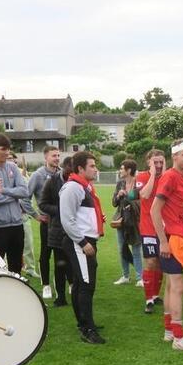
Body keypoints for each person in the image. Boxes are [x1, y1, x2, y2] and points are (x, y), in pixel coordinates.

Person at [151, 140, 183, 352]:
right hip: (171, 239)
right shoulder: (171, 177)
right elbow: (154, 209)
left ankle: (170, 331)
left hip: (176, 236)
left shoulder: (181, 177)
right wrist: (163, 241)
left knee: (171, 286)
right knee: (178, 286)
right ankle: (179, 338)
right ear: (175, 157)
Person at [60, 151, 105, 344]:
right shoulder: (73, 187)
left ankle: (84, 322)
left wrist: (96, 220)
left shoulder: (84, 187)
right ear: (80, 168)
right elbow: (67, 220)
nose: (96, 169)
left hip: (85, 240)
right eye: (92, 166)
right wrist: (83, 242)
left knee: (80, 283)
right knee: (86, 285)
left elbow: (79, 216)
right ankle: (87, 329)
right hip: (79, 242)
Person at [0, 133, 31, 274]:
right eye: (3, 149)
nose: (7, 152)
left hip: (17, 225)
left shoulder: (12, 167)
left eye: (8, 149)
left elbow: (24, 191)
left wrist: (4, 190)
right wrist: (14, 195)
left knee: (16, 266)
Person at [27, 146, 63, 299]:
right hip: (47, 222)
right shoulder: (38, 175)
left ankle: (61, 285)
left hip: (62, 222)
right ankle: (46, 285)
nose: (57, 158)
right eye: (54, 155)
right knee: (45, 254)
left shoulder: (62, 174)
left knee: (62, 255)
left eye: (58, 155)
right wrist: (36, 215)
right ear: (46, 158)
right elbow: (25, 197)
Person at [37, 157, 70, 307]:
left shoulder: (78, 181)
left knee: (73, 264)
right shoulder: (52, 181)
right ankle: (61, 297)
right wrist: (60, 210)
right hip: (57, 229)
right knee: (60, 264)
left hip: (75, 228)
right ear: (65, 168)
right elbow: (42, 204)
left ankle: (75, 291)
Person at [138, 149, 166, 313]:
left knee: (161, 263)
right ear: (148, 162)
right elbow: (145, 194)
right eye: (155, 162)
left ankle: (155, 295)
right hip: (148, 227)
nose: (159, 165)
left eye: (161, 162)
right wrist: (153, 175)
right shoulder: (142, 177)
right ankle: (148, 300)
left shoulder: (168, 177)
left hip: (164, 228)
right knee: (150, 262)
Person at [112, 158, 143, 285]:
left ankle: (140, 278)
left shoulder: (139, 183)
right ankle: (125, 276)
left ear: (129, 170)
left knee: (136, 249)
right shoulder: (120, 183)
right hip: (121, 220)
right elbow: (114, 203)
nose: (120, 170)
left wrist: (132, 203)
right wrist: (118, 195)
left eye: (122, 168)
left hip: (135, 221)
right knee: (122, 249)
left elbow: (144, 201)